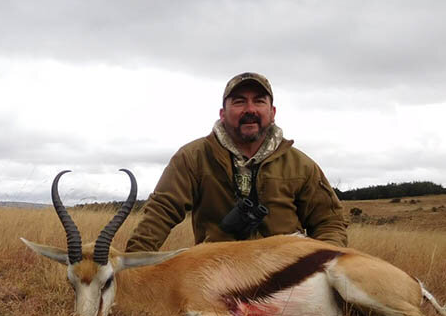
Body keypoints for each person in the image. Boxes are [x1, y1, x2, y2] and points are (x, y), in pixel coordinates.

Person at [126, 72, 347, 252]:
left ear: (272, 112)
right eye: (239, 102)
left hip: (284, 273)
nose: (250, 109)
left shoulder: (301, 165)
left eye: (259, 101)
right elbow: (161, 212)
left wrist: (320, 265)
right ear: (223, 113)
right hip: (216, 272)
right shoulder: (192, 157)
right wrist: (132, 264)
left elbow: (329, 222)